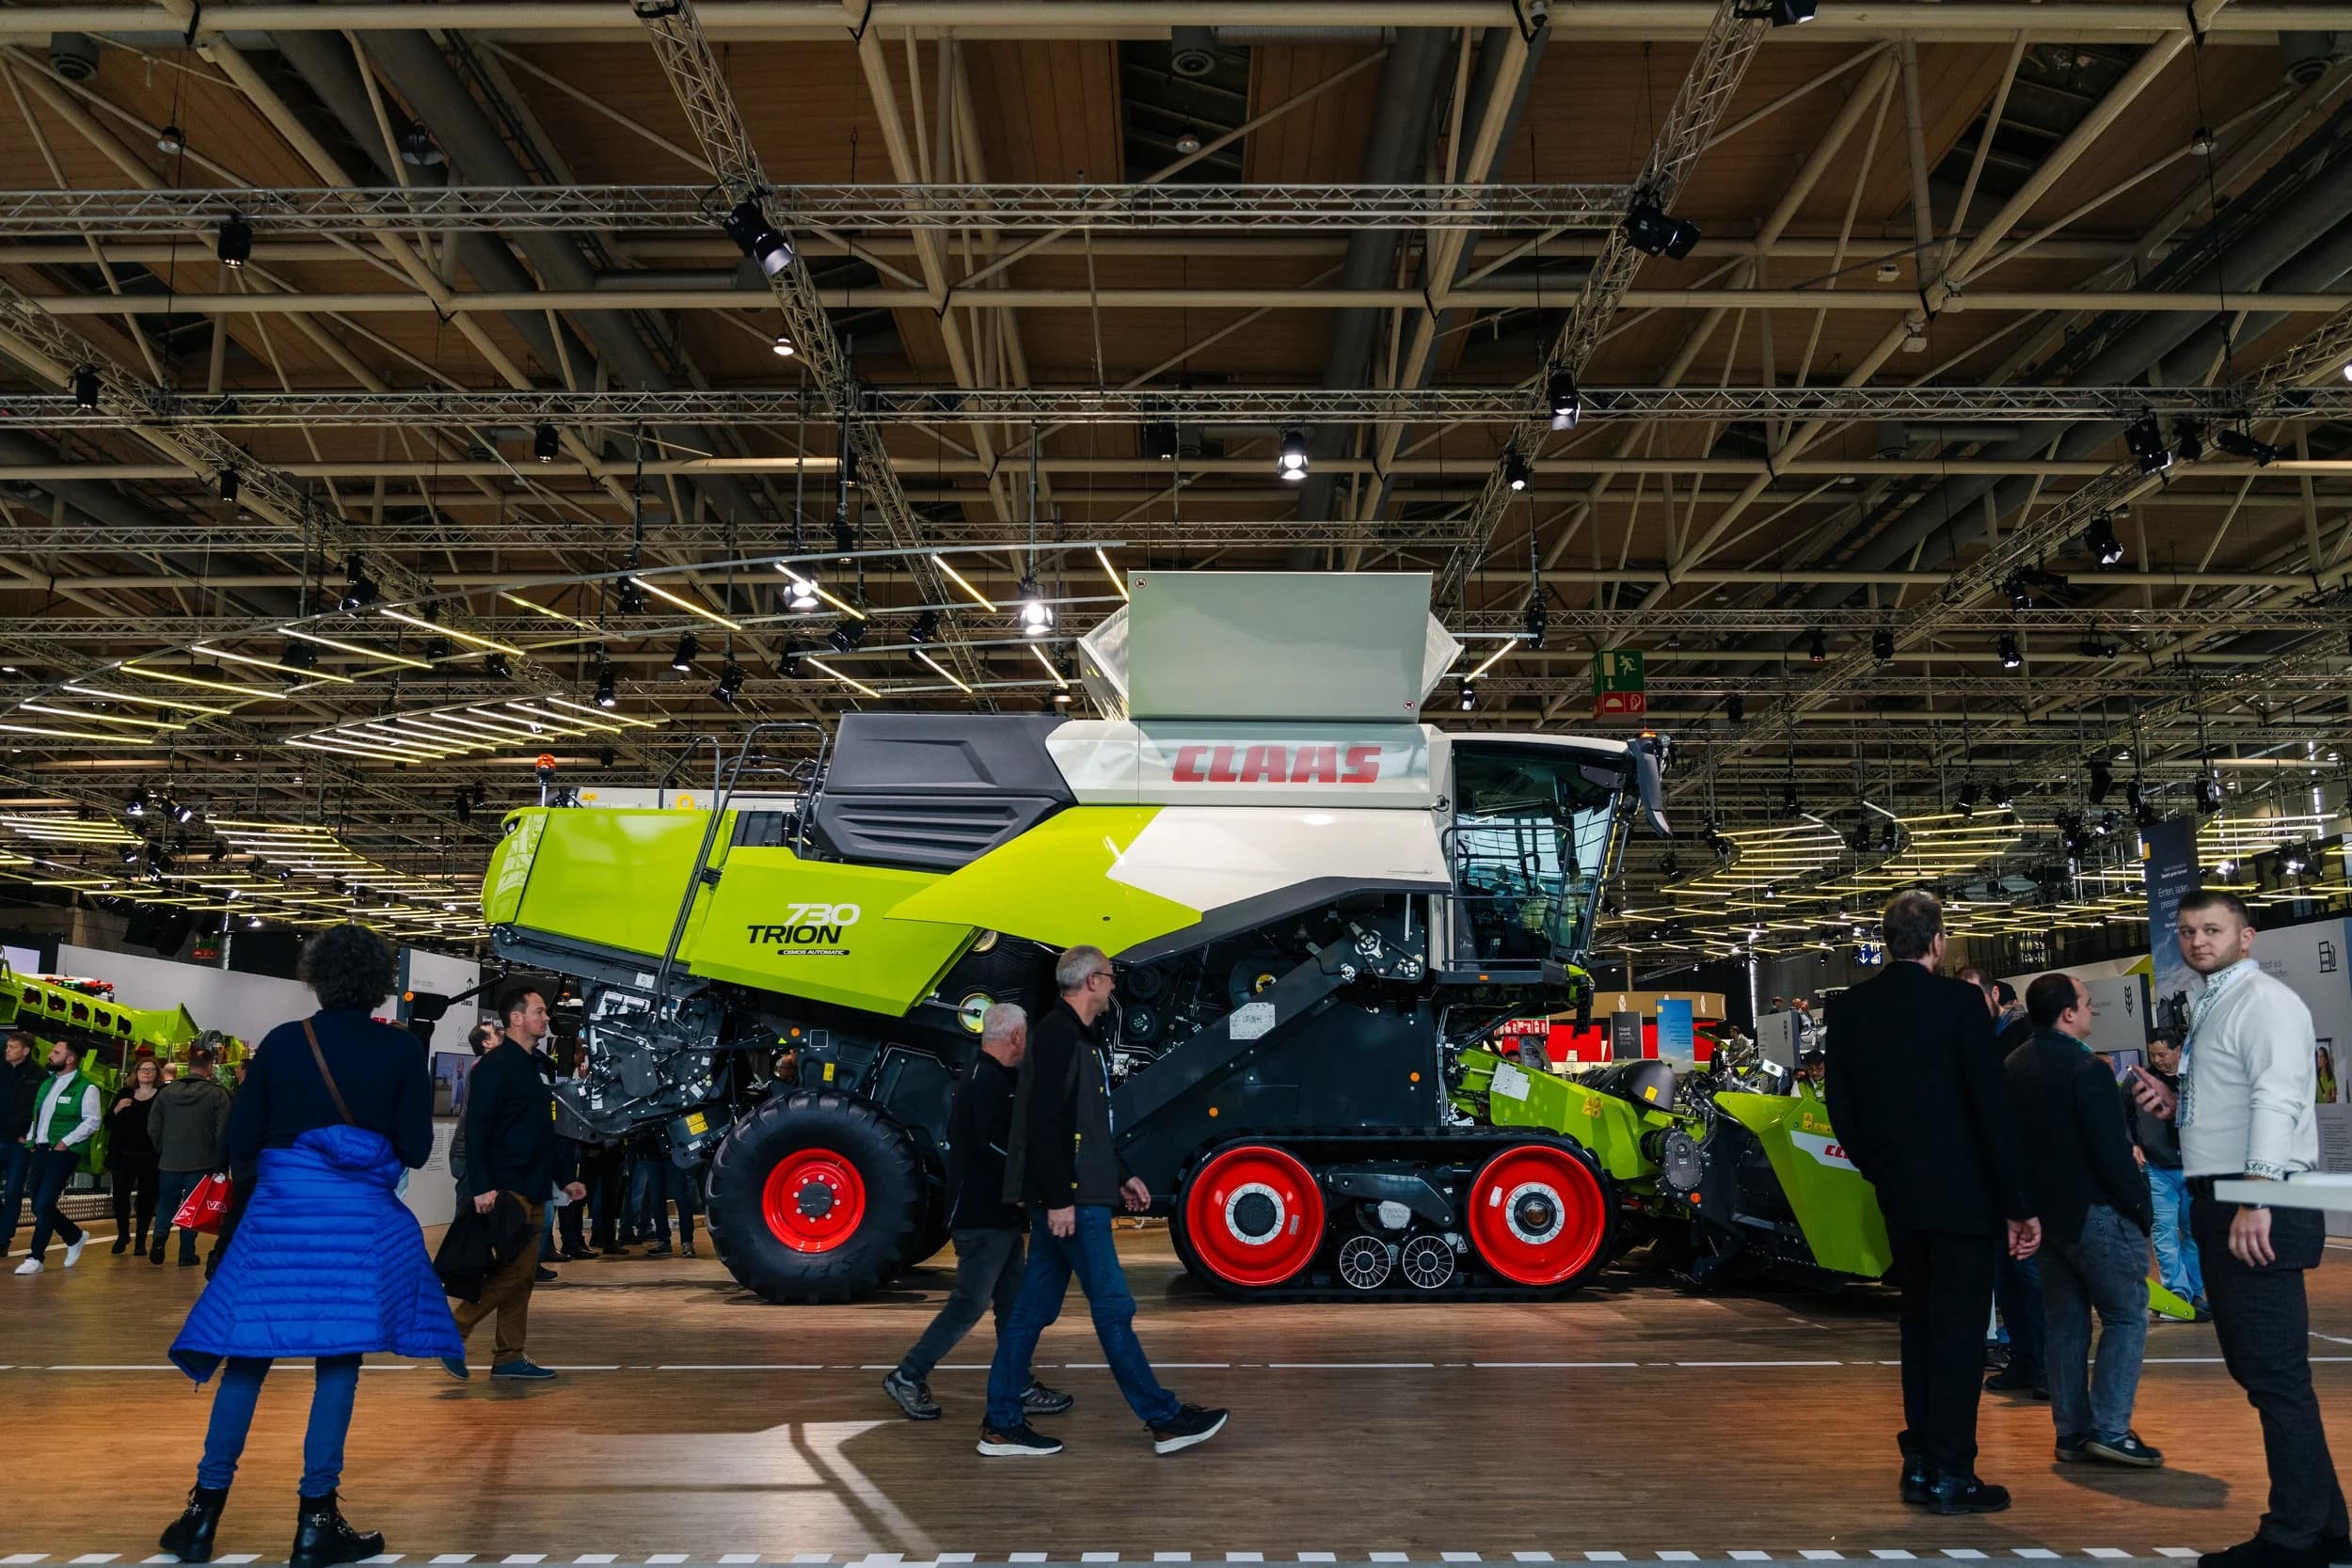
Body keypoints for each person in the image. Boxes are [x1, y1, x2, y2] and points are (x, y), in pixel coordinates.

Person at [158, 924, 458, 1568]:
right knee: (338, 1363)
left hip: (279, 1220)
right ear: (381, 982)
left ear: (317, 977)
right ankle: (316, 1521)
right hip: (355, 1228)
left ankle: (202, 1516)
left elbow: (239, 1136)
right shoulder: (400, 1049)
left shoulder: (286, 1043)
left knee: (246, 1359)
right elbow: (411, 1145)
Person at [2128, 891, 2348, 1568]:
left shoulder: (2265, 1002)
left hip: (2257, 1200)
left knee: (2273, 1375)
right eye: (2188, 930)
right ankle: (2326, 1531)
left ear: (2245, 936)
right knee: (2269, 1374)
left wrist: (2258, 1194)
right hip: (2230, 1195)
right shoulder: (2215, 1003)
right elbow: (2234, 1097)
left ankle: (2295, 1537)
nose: (2198, 940)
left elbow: (2280, 1095)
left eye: (2212, 929)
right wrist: (2175, 1105)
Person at [1825, 890, 2039, 1515]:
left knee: (1917, 1325)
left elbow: (1843, 1107)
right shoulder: (1960, 1003)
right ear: (1939, 941)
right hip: (1965, 1198)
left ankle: (1920, 1461)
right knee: (1960, 1334)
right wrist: (2017, 1199)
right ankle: (1952, 1468)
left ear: (1888, 939)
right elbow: (1989, 1105)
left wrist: (1881, 1168)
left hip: (1900, 1197)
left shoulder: (1854, 1007)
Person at [978, 945, 1227, 1459]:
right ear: (1092, 981)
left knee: (1031, 1312)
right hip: (1072, 1202)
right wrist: (1059, 1199)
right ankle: (1163, 1418)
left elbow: (1085, 1127)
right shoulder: (1057, 1037)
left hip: (1080, 1194)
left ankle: (1001, 1423)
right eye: (1111, 978)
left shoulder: (1074, 1038)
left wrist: (1121, 1175)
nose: (1116, 987)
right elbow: (1044, 1127)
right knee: (1113, 1307)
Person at [882, 1004, 1071, 1423]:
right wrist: (1030, 1189)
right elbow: (995, 1148)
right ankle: (908, 1376)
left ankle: (1017, 1384)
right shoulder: (985, 1081)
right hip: (982, 1218)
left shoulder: (995, 1076)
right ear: (1016, 1037)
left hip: (997, 1217)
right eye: (1027, 1036)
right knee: (969, 1304)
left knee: (1012, 1305)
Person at [2005, 974, 2161, 1467]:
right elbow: (2110, 1151)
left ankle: (2071, 1431)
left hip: (2045, 1218)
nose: (2093, 1011)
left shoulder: (2012, 1065)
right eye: (2088, 1004)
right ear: (2068, 1013)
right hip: (2095, 1212)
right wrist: (2140, 1208)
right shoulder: (2086, 1069)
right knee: (2125, 1314)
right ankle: (2111, 1428)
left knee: (2066, 1324)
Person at [441, 982, 585, 1382]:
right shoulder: (494, 1067)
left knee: (521, 1279)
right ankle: (456, 1328)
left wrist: (564, 1180)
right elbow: (478, 1131)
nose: (546, 1017)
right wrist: (483, 1186)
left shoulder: (536, 1065)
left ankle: (508, 1357)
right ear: (516, 1018)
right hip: (507, 1188)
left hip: (535, 1185)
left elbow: (543, 1131)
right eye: (539, 1011)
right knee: (517, 1272)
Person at [1960, 965, 2048, 1400]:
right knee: (2006, 1278)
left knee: (2031, 1274)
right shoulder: (1970, 1042)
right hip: (1986, 1179)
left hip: (2026, 1174)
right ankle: (2025, 1360)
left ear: (1995, 993)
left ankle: (2048, 1366)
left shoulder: (2023, 1037)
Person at [2134, 1027, 2206, 1317]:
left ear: (2178, 1050)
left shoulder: (2198, 1078)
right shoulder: (2137, 1081)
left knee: (2193, 1232)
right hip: (2158, 1168)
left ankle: (2194, 1290)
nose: (2158, 1060)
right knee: (2164, 1232)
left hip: (2194, 1168)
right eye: (2153, 1055)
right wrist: (2132, 1144)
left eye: (2163, 1054)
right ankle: (2176, 1292)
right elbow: (2122, 1117)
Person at [12, 1037, 100, 1275]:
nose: (51, 1055)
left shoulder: (87, 1088)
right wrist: (31, 1139)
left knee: (43, 1204)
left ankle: (35, 1257)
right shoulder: (47, 1084)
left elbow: (92, 1121)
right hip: (40, 1151)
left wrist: (65, 1142)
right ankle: (74, 1235)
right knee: (39, 1206)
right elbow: (37, 1115)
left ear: (70, 1059)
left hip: (62, 1154)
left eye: (56, 1052)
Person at [151, 1049, 235, 1268]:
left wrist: (163, 1149)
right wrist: (221, 1160)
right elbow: (223, 1130)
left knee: (166, 1204)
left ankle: (159, 1236)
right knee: (192, 1208)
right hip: (202, 1162)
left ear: (187, 1065)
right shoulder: (218, 1094)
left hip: (169, 1161)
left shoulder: (165, 1093)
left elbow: (153, 1126)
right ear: (210, 1066)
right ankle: (186, 1253)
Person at [107, 1055, 165, 1256]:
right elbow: (109, 1123)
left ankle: (141, 1240)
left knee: (147, 1199)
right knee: (120, 1197)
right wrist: (117, 1108)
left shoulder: (162, 1095)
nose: (146, 1072)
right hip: (124, 1154)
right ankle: (123, 1234)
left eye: (151, 1069)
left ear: (157, 1074)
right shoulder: (125, 1093)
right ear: (136, 1072)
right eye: (143, 1069)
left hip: (151, 1155)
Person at [2, 1030, 44, 1256]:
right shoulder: (2, 1070)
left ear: (25, 1051)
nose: (7, 1051)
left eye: (13, 1047)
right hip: (1, 1136)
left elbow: (40, 1108)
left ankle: (4, 1237)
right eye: (7, 1047)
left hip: (19, 1142)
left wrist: (30, 1133)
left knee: (13, 1190)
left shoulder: (38, 1076)